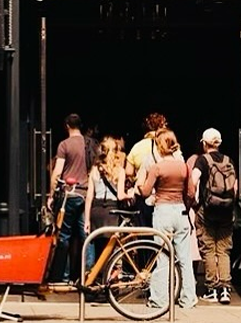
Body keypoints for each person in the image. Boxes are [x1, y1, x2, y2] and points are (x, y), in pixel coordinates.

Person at [137, 128, 196, 311]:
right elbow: (191, 193)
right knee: (184, 258)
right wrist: (185, 206)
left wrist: (140, 187)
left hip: (162, 211)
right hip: (180, 211)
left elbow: (145, 192)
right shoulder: (184, 167)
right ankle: (188, 298)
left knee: (162, 256)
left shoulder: (157, 167)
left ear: (159, 146)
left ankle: (160, 300)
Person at [189, 128, 238, 304]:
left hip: (207, 211)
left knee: (209, 248)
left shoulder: (203, 160)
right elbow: (235, 188)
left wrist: (192, 201)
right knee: (224, 250)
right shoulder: (228, 160)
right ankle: (225, 289)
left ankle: (211, 288)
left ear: (204, 143)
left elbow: (193, 181)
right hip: (226, 211)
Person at [46, 113, 90, 284]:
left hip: (69, 194)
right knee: (86, 234)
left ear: (66, 126)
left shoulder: (64, 145)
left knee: (64, 235)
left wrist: (51, 195)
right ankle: (88, 274)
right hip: (86, 193)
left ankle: (62, 276)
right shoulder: (89, 144)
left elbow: (57, 172)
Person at [83, 135, 128, 281]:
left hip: (96, 210)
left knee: (98, 249)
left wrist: (87, 220)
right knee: (109, 250)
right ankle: (106, 281)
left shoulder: (95, 170)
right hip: (111, 211)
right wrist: (131, 194)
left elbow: (89, 196)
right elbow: (120, 196)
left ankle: (97, 280)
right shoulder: (119, 171)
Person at [125, 112, 167, 228]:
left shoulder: (137, 147)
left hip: (143, 194)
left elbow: (128, 171)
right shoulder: (165, 146)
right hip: (163, 194)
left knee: (144, 231)